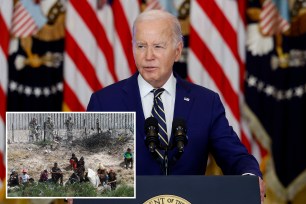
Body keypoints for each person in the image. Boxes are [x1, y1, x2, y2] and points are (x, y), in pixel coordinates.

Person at [87, 10, 265, 202]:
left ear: (178, 51)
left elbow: (235, 157)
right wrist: (77, 185)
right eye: (141, 46)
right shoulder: (105, 101)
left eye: (158, 46)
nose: (148, 56)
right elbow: (88, 165)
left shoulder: (205, 102)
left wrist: (250, 178)